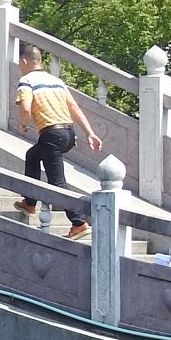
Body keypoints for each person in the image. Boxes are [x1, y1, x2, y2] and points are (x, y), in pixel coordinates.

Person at [11, 49, 101, 237]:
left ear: (24, 61)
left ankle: (78, 222)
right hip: (68, 133)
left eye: (19, 63)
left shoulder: (27, 81)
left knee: (57, 183)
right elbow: (73, 107)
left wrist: (22, 123)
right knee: (33, 155)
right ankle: (29, 202)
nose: (19, 67)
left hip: (51, 134)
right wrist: (90, 133)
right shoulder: (57, 81)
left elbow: (25, 107)